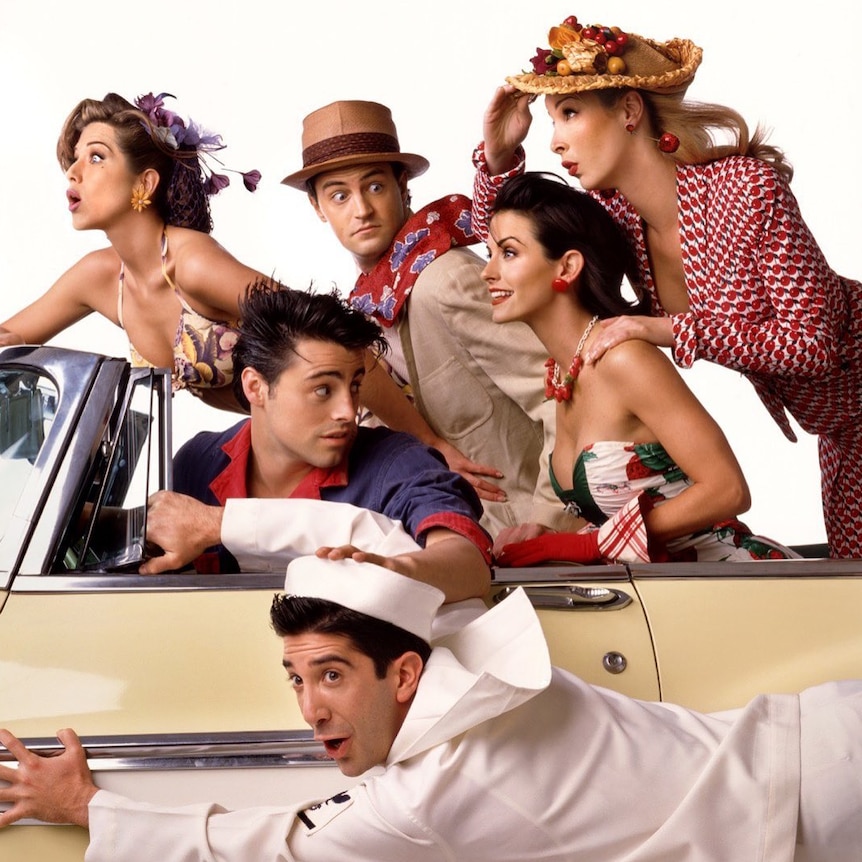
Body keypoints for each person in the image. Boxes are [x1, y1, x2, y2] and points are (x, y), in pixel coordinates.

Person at [2, 553, 861, 860]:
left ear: (403, 675)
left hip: (825, 803)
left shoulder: (430, 795)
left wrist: (87, 806)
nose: (309, 711)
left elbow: (273, 849)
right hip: (822, 736)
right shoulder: (468, 667)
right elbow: (383, 562)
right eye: (296, 680)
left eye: (332, 677)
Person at [471, 15, 862, 558]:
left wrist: (667, 329)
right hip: (841, 434)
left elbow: (813, 343)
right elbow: (522, 241)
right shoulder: (620, 215)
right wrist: (498, 157)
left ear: (630, 111)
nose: (556, 142)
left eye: (569, 113)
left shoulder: (746, 188)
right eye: (551, 122)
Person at [281, 99, 582, 538]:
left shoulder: (447, 282)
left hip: (530, 538)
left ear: (403, 186)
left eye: (376, 187)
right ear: (318, 207)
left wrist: (547, 520)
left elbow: (564, 394)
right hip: (443, 538)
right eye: (339, 195)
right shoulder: (364, 309)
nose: (361, 210)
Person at [485, 172, 797, 564]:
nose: (487, 272)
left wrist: (589, 546)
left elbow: (729, 489)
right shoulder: (563, 373)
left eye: (508, 253)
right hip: (658, 598)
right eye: (489, 254)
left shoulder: (624, 357)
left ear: (566, 268)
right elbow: (624, 518)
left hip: (731, 584)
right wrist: (553, 539)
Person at [141, 281, 492, 604]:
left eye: (354, 386)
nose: (348, 411)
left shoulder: (398, 463)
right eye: (323, 389)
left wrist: (394, 572)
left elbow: (469, 566)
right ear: (255, 387)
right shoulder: (196, 461)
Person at [0, 91, 268, 413]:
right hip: (265, 438)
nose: (73, 171)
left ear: (144, 183)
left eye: (96, 157)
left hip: (321, 430)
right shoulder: (100, 276)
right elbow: (12, 334)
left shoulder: (191, 261)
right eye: (75, 158)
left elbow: (317, 324)